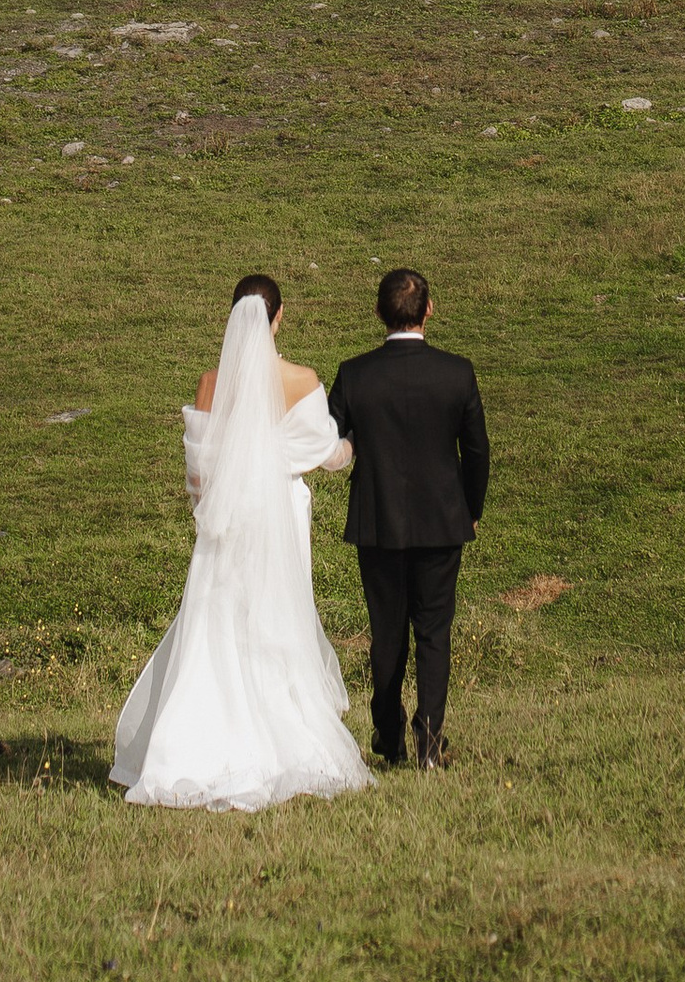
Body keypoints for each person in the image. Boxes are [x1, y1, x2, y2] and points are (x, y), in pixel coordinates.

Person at [110, 276, 369, 815]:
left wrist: (211, 510)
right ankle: (282, 743)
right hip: (280, 518)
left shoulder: (211, 384)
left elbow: (198, 474)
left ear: (234, 316)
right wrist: (354, 442)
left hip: (226, 523)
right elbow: (326, 455)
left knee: (218, 624)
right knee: (276, 620)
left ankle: (197, 746)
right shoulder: (301, 380)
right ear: (279, 316)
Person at [329, 269, 489, 773]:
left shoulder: (355, 374)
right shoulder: (456, 373)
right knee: (434, 631)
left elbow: (327, 439)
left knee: (387, 632)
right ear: (429, 310)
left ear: (379, 312)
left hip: (377, 522)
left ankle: (388, 730)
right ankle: (429, 739)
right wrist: (471, 509)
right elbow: (477, 451)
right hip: (442, 521)